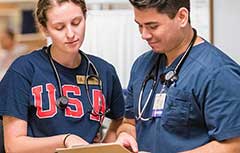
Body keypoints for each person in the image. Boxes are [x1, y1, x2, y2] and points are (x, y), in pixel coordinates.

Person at [0, 0, 125, 153]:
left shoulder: (104, 71)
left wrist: (105, 147)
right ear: (44, 29)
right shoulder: (24, 70)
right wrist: (66, 140)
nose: (71, 34)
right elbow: (14, 146)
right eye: (59, 27)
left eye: (76, 22)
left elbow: (121, 119)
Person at [116, 0, 240, 153]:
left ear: (182, 17)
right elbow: (129, 122)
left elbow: (234, 146)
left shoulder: (218, 72)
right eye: (139, 25)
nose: (144, 35)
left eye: (152, 26)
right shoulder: (142, 65)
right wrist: (125, 134)